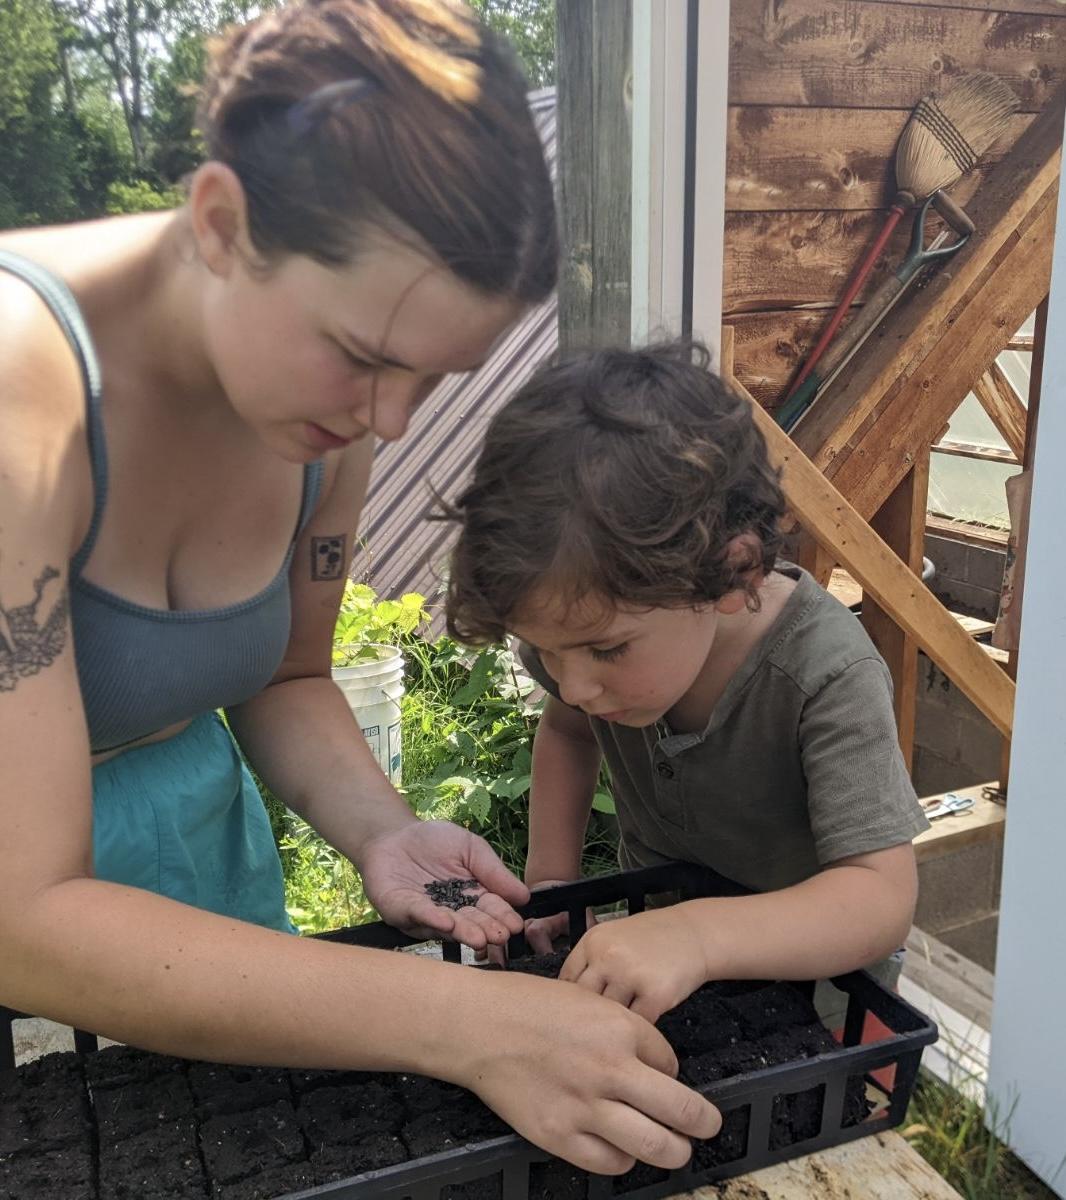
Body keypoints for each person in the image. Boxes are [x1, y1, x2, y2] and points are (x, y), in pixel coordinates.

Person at [0, 1, 719, 1173]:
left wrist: (383, 831)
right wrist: (471, 1027)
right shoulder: (18, 388)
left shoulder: (331, 420)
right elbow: (22, 915)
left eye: (432, 378)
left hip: (188, 869)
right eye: (368, 358)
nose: (384, 424)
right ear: (224, 222)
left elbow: (284, 676)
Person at [445, 340, 931, 1026]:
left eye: (605, 650)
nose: (575, 683)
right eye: (550, 653)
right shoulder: (590, 645)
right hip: (664, 959)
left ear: (733, 575)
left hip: (814, 991)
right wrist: (553, 876)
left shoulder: (824, 674)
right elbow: (566, 730)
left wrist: (698, 937)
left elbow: (879, 899)